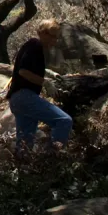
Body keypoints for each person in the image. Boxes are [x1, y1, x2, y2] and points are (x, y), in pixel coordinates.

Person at [7, 18, 73, 153]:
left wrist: (50, 74)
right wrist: (46, 83)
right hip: (25, 97)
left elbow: (29, 68)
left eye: (57, 38)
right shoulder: (35, 44)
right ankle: (52, 160)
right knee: (64, 121)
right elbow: (23, 71)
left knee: (24, 146)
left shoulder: (32, 47)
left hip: (16, 100)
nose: (55, 41)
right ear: (43, 33)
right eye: (53, 36)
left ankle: (24, 169)